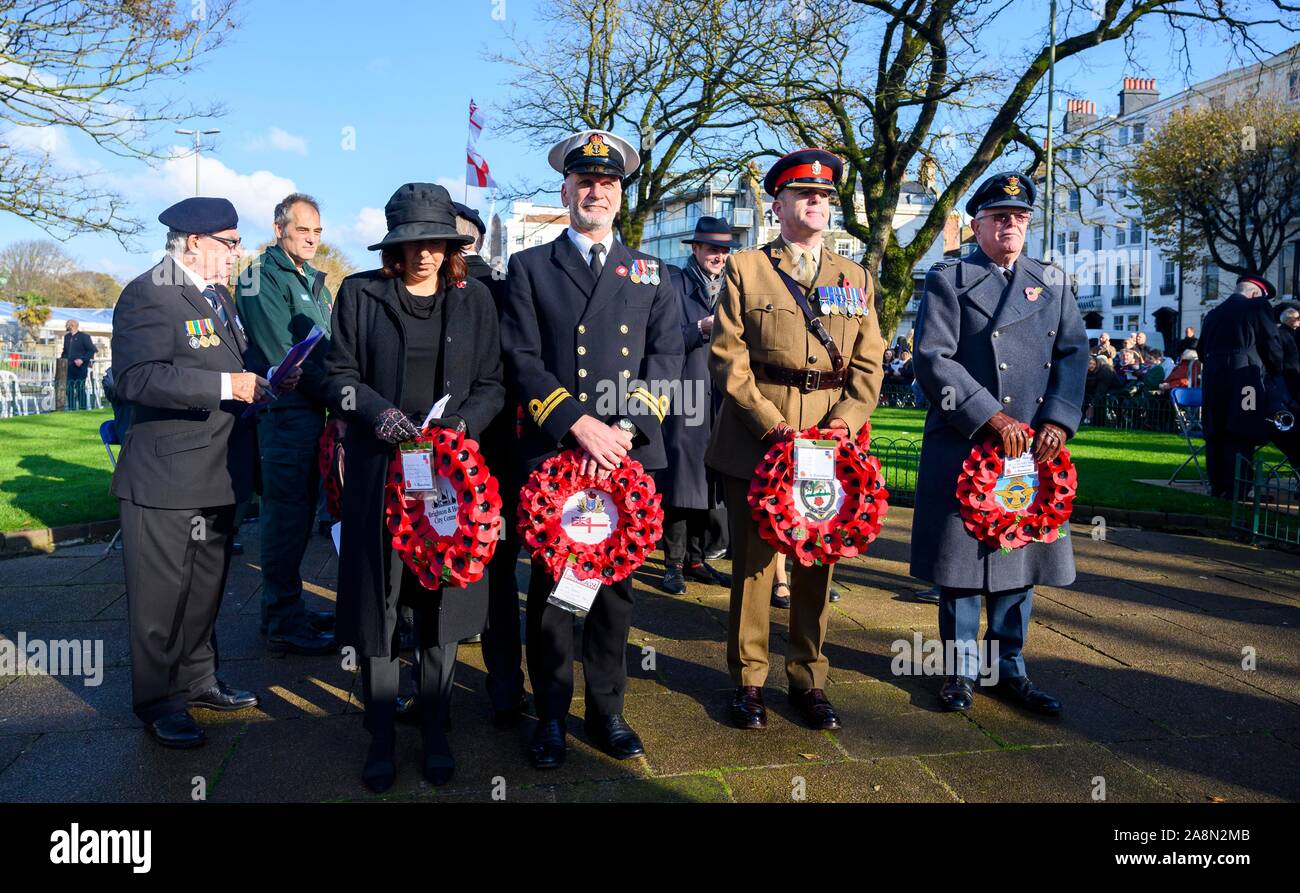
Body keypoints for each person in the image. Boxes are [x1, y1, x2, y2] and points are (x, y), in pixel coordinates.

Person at [500, 129, 683, 769]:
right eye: (585, 182)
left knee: (614, 588)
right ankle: (549, 714)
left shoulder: (652, 272)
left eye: (607, 183)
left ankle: (607, 710)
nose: (595, 191)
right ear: (566, 191)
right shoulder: (528, 268)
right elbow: (521, 358)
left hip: (625, 455)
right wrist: (579, 425)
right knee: (553, 588)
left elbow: (667, 357)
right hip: (558, 450)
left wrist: (627, 429)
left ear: (620, 194)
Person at [323, 183, 504, 792]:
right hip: (381, 469)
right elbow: (337, 376)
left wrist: (462, 425)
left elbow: (492, 384)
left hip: (448, 474)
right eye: (411, 244)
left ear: (451, 245)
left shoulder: (474, 298)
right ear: (393, 248)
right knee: (381, 600)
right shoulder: (360, 294)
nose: (424, 254)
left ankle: (435, 727)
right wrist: (378, 414)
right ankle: (379, 733)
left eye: (435, 242)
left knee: (440, 598)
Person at [707, 147, 885, 732]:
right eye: (804, 194)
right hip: (760, 440)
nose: (816, 202)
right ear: (778, 204)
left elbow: (869, 361)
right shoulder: (746, 269)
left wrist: (842, 425)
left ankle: (809, 677)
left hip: (830, 446)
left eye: (825, 196)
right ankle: (750, 681)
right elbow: (730, 359)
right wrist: (775, 428)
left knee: (818, 566)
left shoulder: (853, 277)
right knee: (756, 569)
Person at [110, 197, 288, 748]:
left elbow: (228, 366)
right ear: (194, 242)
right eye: (230, 243)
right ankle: (159, 702)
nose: (238, 253)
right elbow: (134, 379)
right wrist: (223, 387)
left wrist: (266, 378)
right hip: (165, 477)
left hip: (218, 470)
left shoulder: (219, 296)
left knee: (206, 587)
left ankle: (197, 678)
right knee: (160, 596)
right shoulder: (149, 292)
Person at [910, 171, 1088, 717]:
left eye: (1020, 217)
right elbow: (932, 358)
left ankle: (1009, 666)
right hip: (966, 441)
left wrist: (1059, 419)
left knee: (1020, 552)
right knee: (962, 565)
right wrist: (989, 414)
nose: (1011, 225)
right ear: (977, 224)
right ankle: (961, 671)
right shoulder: (949, 279)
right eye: (1000, 217)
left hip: (1032, 449)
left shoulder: (1052, 281)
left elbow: (1073, 354)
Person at [236, 192, 337, 656]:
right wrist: (345, 392)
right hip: (283, 416)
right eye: (302, 230)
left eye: (317, 231)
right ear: (278, 230)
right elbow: (284, 356)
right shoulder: (260, 278)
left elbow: (331, 347)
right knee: (284, 520)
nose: (312, 239)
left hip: (310, 414)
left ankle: (290, 609)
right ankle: (281, 619)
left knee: (298, 519)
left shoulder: (312, 279)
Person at [453, 199, 530, 729]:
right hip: (496, 455)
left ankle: (429, 685)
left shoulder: (483, 292)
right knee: (499, 572)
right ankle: (505, 686)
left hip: (452, 454)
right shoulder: (504, 290)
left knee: (430, 563)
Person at [660, 216, 734, 596]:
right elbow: (660, 339)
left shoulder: (733, 288)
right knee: (679, 482)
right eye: (711, 249)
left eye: (723, 250)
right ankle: (672, 564)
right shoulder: (674, 284)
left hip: (721, 399)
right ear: (695, 249)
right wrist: (698, 330)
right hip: (684, 395)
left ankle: (697, 558)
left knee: (708, 483)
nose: (718, 256)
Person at [1199, 275, 1285, 498]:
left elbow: (1200, 349)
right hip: (1244, 375)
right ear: (1256, 293)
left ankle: (1217, 485)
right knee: (1242, 427)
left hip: (1213, 375)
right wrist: (1277, 370)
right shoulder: (1257, 306)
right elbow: (1270, 341)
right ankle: (1238, 487)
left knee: (1216, 428)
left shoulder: (1212, 314)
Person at [61, 319, 97, 410]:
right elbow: (65, 351)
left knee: (80, 387)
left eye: (68, 324)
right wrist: (62, 361)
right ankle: (71, 408)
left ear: (73, 325)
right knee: (69, 388)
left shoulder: (84, 337)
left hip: (80, 367)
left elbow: (91, 350)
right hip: (69, 366)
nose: (67, 326)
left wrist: (82, 359)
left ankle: (82, 407)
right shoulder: (67, 337)